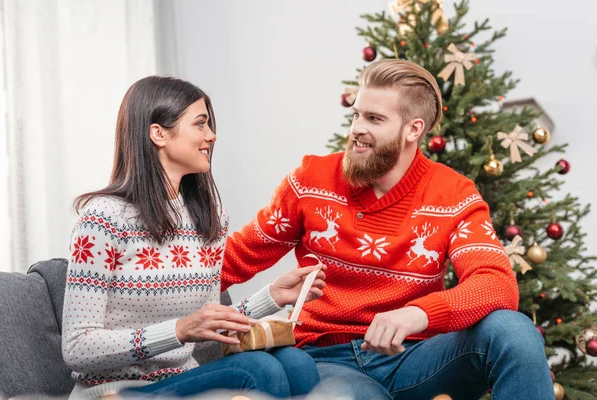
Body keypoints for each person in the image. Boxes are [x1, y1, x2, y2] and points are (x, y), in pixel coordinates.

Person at [221, 59, 554, 400]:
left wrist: (418, 314)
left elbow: (496, 284)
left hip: (416, 358)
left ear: (413, 129)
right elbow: (231, 259)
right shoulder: (311, 181)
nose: (357, 129)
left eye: (374, 119)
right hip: (324, 359)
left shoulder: (453, 193)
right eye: (357, 114)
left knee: (514, 330)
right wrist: (171, 323)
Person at [62, 76, 325, 400]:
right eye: (200, 124)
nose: (211, 136)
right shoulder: (103, 219)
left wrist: (273, 296)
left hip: (183, 380)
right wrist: (179, 330)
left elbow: (206, 323)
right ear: (158, 133)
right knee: (258, 369)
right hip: (115, 392)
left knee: (296, 362)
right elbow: (77, 347)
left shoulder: (207, 215)